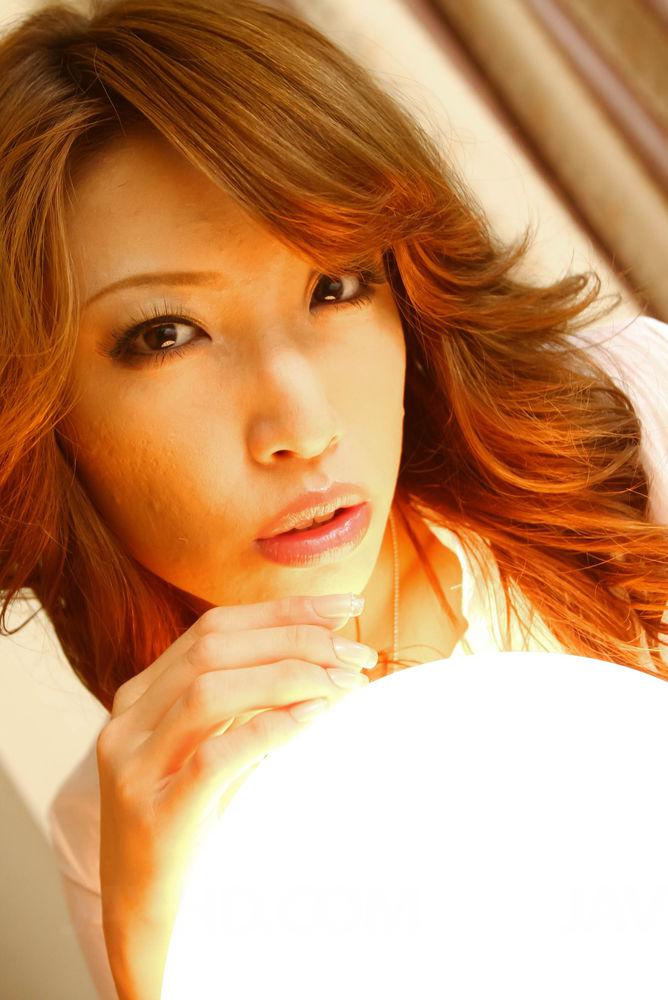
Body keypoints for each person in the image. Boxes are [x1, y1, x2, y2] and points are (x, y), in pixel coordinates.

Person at [1, 0, 666, 996]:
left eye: (336, 286)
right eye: (165, 335)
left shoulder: (632, 422)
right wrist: (153, 951)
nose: (303, 425)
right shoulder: (134, 834)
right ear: (42, 414)